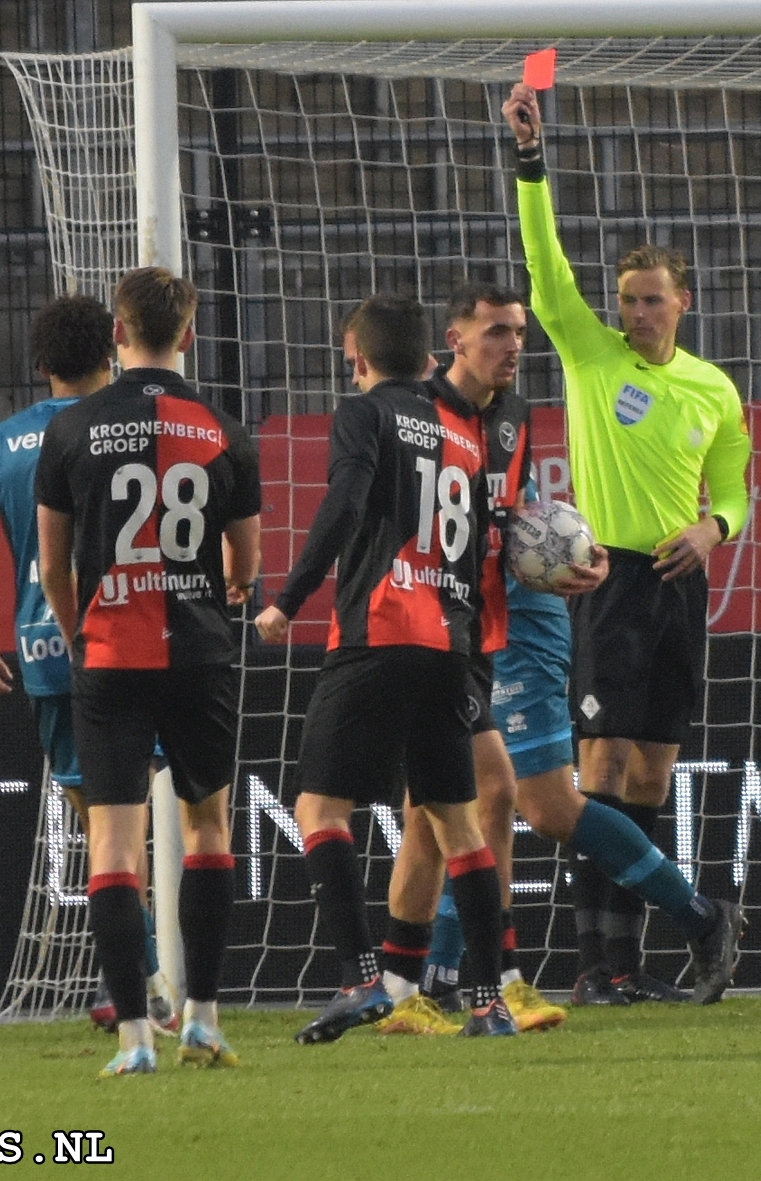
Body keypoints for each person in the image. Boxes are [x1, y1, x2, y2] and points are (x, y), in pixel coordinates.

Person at [379, 285, 743, 1033]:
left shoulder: (511, 419)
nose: (515, 346)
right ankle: (447, 978)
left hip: (520, 623)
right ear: (454, 340)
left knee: (533, 803)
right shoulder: (420, 418)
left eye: (519, 332)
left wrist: (564, 559)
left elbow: (512, 527)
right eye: (499, 334)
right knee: (444, 803)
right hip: (450, 623)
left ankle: (697, 917)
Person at [502, 83, 752, 1000]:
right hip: (603, 578)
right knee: (597, 768)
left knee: (650, 770)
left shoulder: (713, 390)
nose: (636, 313)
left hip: (680, 584)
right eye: (627, 300)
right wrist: (531, 163)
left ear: (683, 302)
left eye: (651, 301)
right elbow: (543, 262)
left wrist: (715, 525)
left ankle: (631, 961)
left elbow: (734, 488)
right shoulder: (588, 350)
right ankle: (593, 964)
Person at [255, 294, 524, 1041]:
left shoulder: (364, 413)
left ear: (359, 360)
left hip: (377, 633)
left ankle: (361, 976)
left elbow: (343, 504)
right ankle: (486, 1000)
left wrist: (288, 598)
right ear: (431, 358)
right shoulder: (467, 436)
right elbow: (472, 560)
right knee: (455, 822)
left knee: (319, 811)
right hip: (449, 645)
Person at [35, 266, 261, 1077]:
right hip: (200, 653)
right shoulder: (225, 428)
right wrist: (220, 585)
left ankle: (135, 1036)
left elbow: (52, 564)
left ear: (117, 336)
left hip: (110, 656)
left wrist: (76, 631)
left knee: (114, 847)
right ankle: (201, 1016)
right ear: (190, 334)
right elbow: (247, 562)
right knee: (207, 828)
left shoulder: (73, 429)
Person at [0, 295, 176, 1034]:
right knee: (149, 818)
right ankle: (146, 984)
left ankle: (138, 982)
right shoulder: (145, 424)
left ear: (40, 365)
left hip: (50, 651)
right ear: (113, 345)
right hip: (149, 642)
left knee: (104, 823)